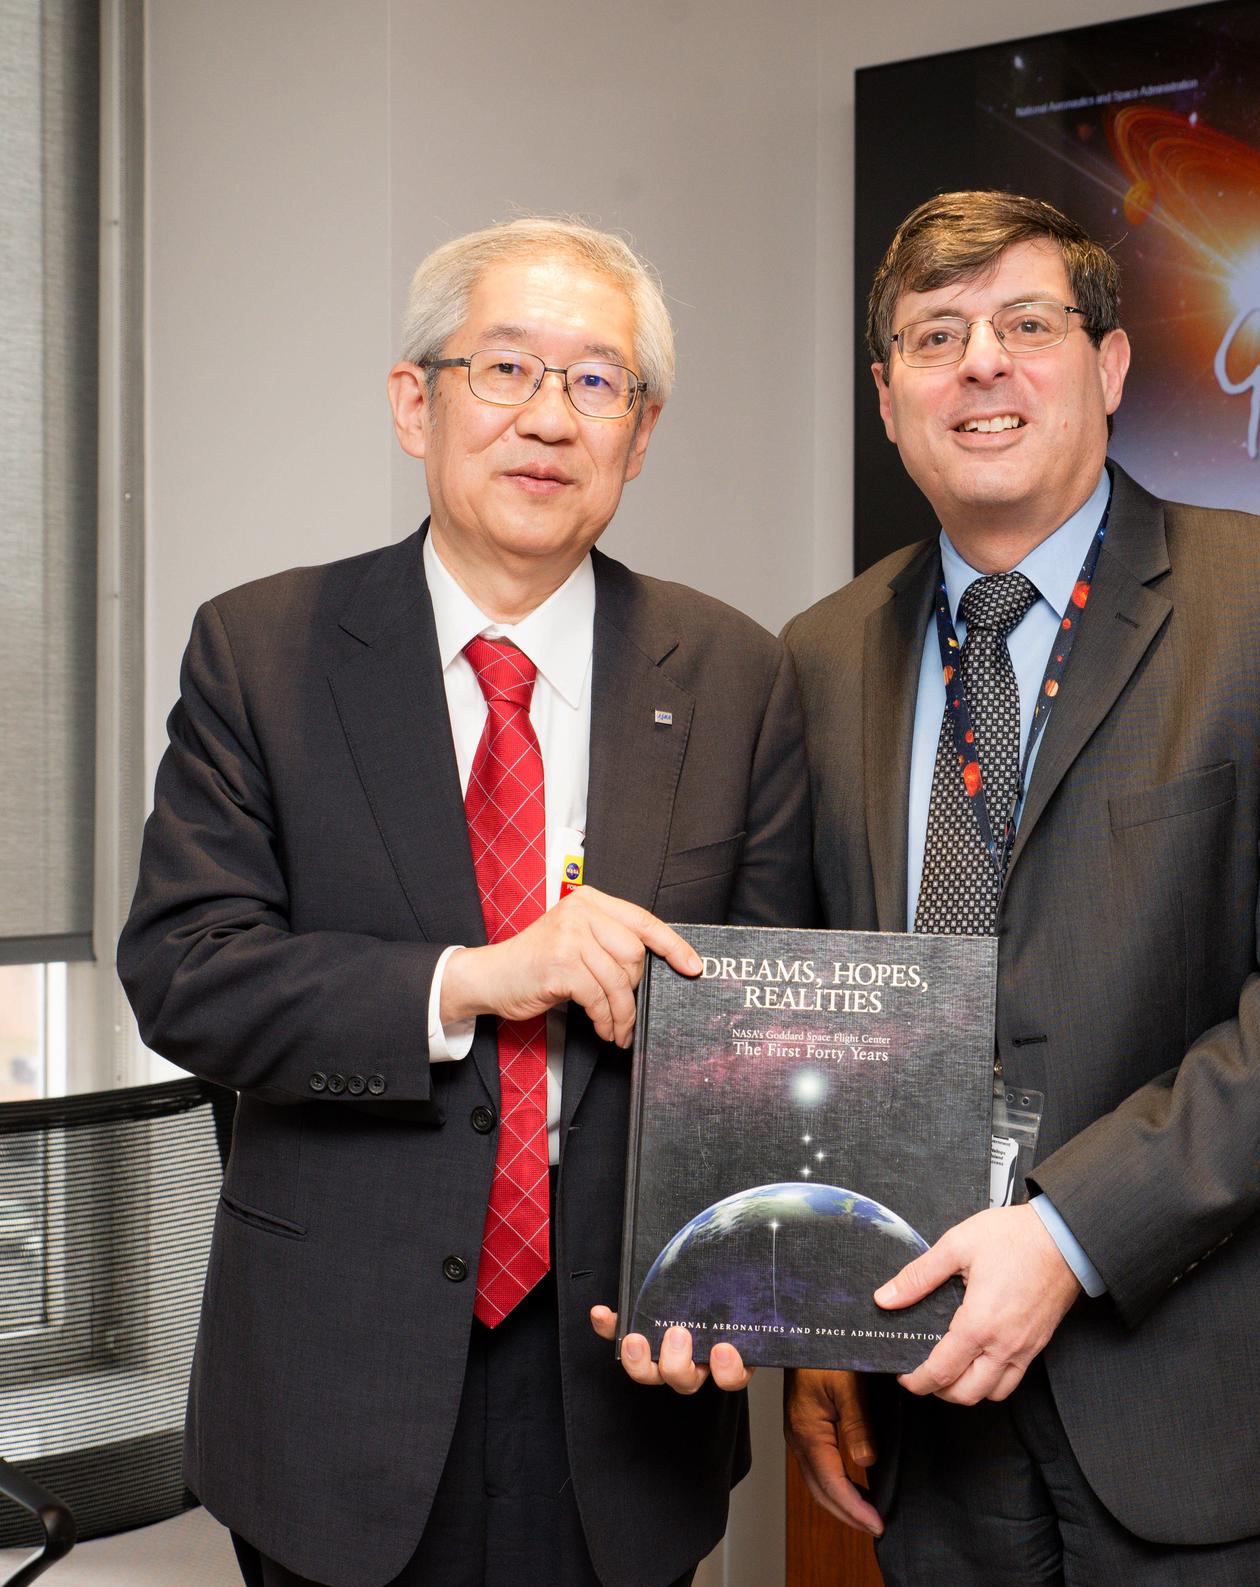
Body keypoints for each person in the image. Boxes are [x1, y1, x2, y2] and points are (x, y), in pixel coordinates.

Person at [118, 217, 811, 1587]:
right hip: (335, 1377)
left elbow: (768, 1033)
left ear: (641, 433)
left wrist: (742, 1283)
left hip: (628, 1386)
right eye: (505, 368)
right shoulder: (263, 651)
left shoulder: (735, 674)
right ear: (413, 402)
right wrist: (474, 977)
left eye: (597, 381)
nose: (550, 418)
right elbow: (188, 971)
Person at [782, 191, 1260, 1584]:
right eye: (936, 336)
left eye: (1028, 324)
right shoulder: (819, 656)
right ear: (888, 397)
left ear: (1111, 365)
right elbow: (815, 1010)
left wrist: (1068, 1235)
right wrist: (819, 1321)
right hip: (929, 1405)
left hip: (1218, 1412)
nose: (982, 364)